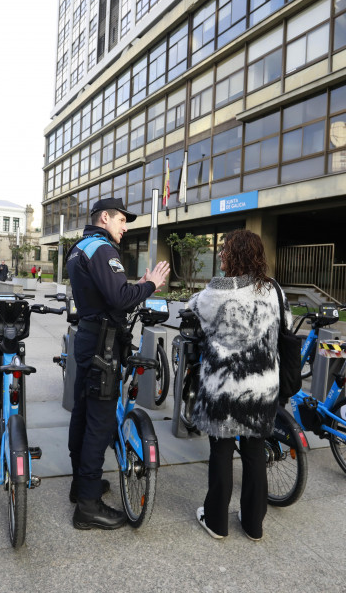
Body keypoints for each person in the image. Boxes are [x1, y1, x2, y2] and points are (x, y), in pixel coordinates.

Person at [66, 197, 169, 530]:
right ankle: (88, 507)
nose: (125, 227)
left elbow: (108, 293)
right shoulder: (102, 249)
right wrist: (150, 284)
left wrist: (134, 286)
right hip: (103, 345)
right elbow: (119, 299)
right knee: (99, 421)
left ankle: (82, 486)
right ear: (105, 217)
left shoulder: (80, 247)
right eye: (122, 220)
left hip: (88, 338)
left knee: (83, 415)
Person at [188, 229, 289, 542]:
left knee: (221, 451)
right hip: (263, 386)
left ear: (233, 256)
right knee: (255, 452)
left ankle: (217, 521)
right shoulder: (274, 289)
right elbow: (283, 327)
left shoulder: (219, 289)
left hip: (224, 388)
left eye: (224, 251)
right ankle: (253, 524)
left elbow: (194, 310)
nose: (220, 256)